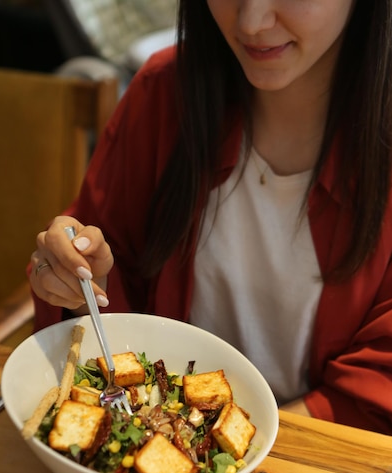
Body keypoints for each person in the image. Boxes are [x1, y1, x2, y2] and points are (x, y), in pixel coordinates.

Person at [29, 0, 392, 435]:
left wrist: (231, 452)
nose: (252, 22)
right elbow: (104, 265)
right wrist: (78, 279)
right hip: (145, 464)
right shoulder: (165, 95)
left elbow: (377, 387)